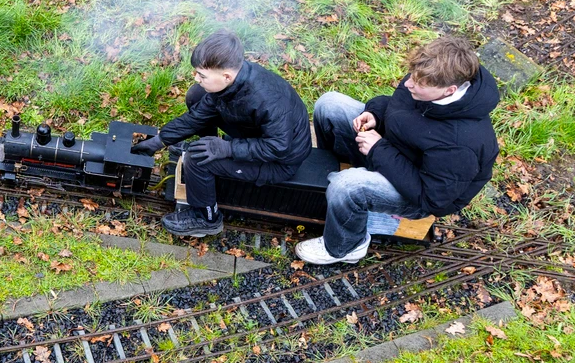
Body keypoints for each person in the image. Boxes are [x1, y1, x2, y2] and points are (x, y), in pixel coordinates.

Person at [295, 35, 499, 265]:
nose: (409, 84)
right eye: (411, 76)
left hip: (418, 194)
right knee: (330, 104)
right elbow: (398, 108)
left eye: (418, 84)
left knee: (347, 185)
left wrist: (378, 150)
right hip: (391, 153)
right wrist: (375, 114)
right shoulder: (426, 77)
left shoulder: (462, 144)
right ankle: (330, 186)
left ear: (449, 90)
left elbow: (432, 199)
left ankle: (347, 246)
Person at [133, 30, 311, 237]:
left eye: (202, 75)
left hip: (280, 161)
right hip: (258, 137)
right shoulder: (233, 84)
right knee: (197, 96)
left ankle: (206, 219)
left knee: (197, 160)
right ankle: (211, 161)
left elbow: (278, 147)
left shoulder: (266, 100)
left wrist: (227, 148)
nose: (196, 78)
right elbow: (198, 116)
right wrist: (159, 141)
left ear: (226, 76)